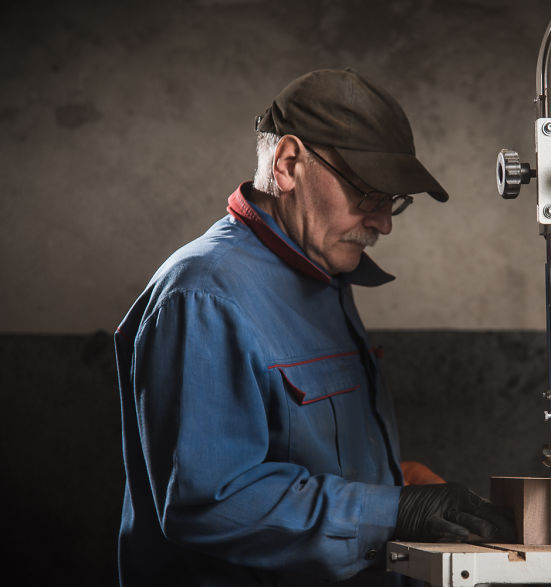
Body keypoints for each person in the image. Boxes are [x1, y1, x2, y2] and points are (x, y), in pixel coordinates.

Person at [115, 69, 512, 586]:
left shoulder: (323, 271)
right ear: (288, 164)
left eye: (393, 201)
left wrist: (395, 480)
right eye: (369, 194)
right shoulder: (204, 298)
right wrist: (393, 513)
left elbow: (303, 451)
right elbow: (212, 503)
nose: (384, 222)